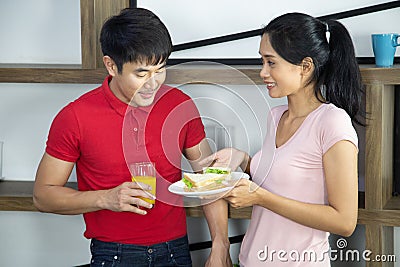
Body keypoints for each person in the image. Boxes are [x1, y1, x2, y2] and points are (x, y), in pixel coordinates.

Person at [33, 8, 232, 267]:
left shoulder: (180, 105)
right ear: (111, 65)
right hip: (114, 254)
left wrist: (220, 246)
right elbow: (43, 196)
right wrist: (105, 198)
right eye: (141, 73)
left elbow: (209, 180)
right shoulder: (75, 116)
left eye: (160, 69)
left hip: (176, 251)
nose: (154, 83)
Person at [201, 12, 364, 266]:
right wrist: (242, 159)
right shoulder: (276, 117)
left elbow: (344, 222)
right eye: (262, 61)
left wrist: (260, 197)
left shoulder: (332, 122)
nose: (263, 72)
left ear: (305, 66)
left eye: (271, 62)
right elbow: (283, 176)